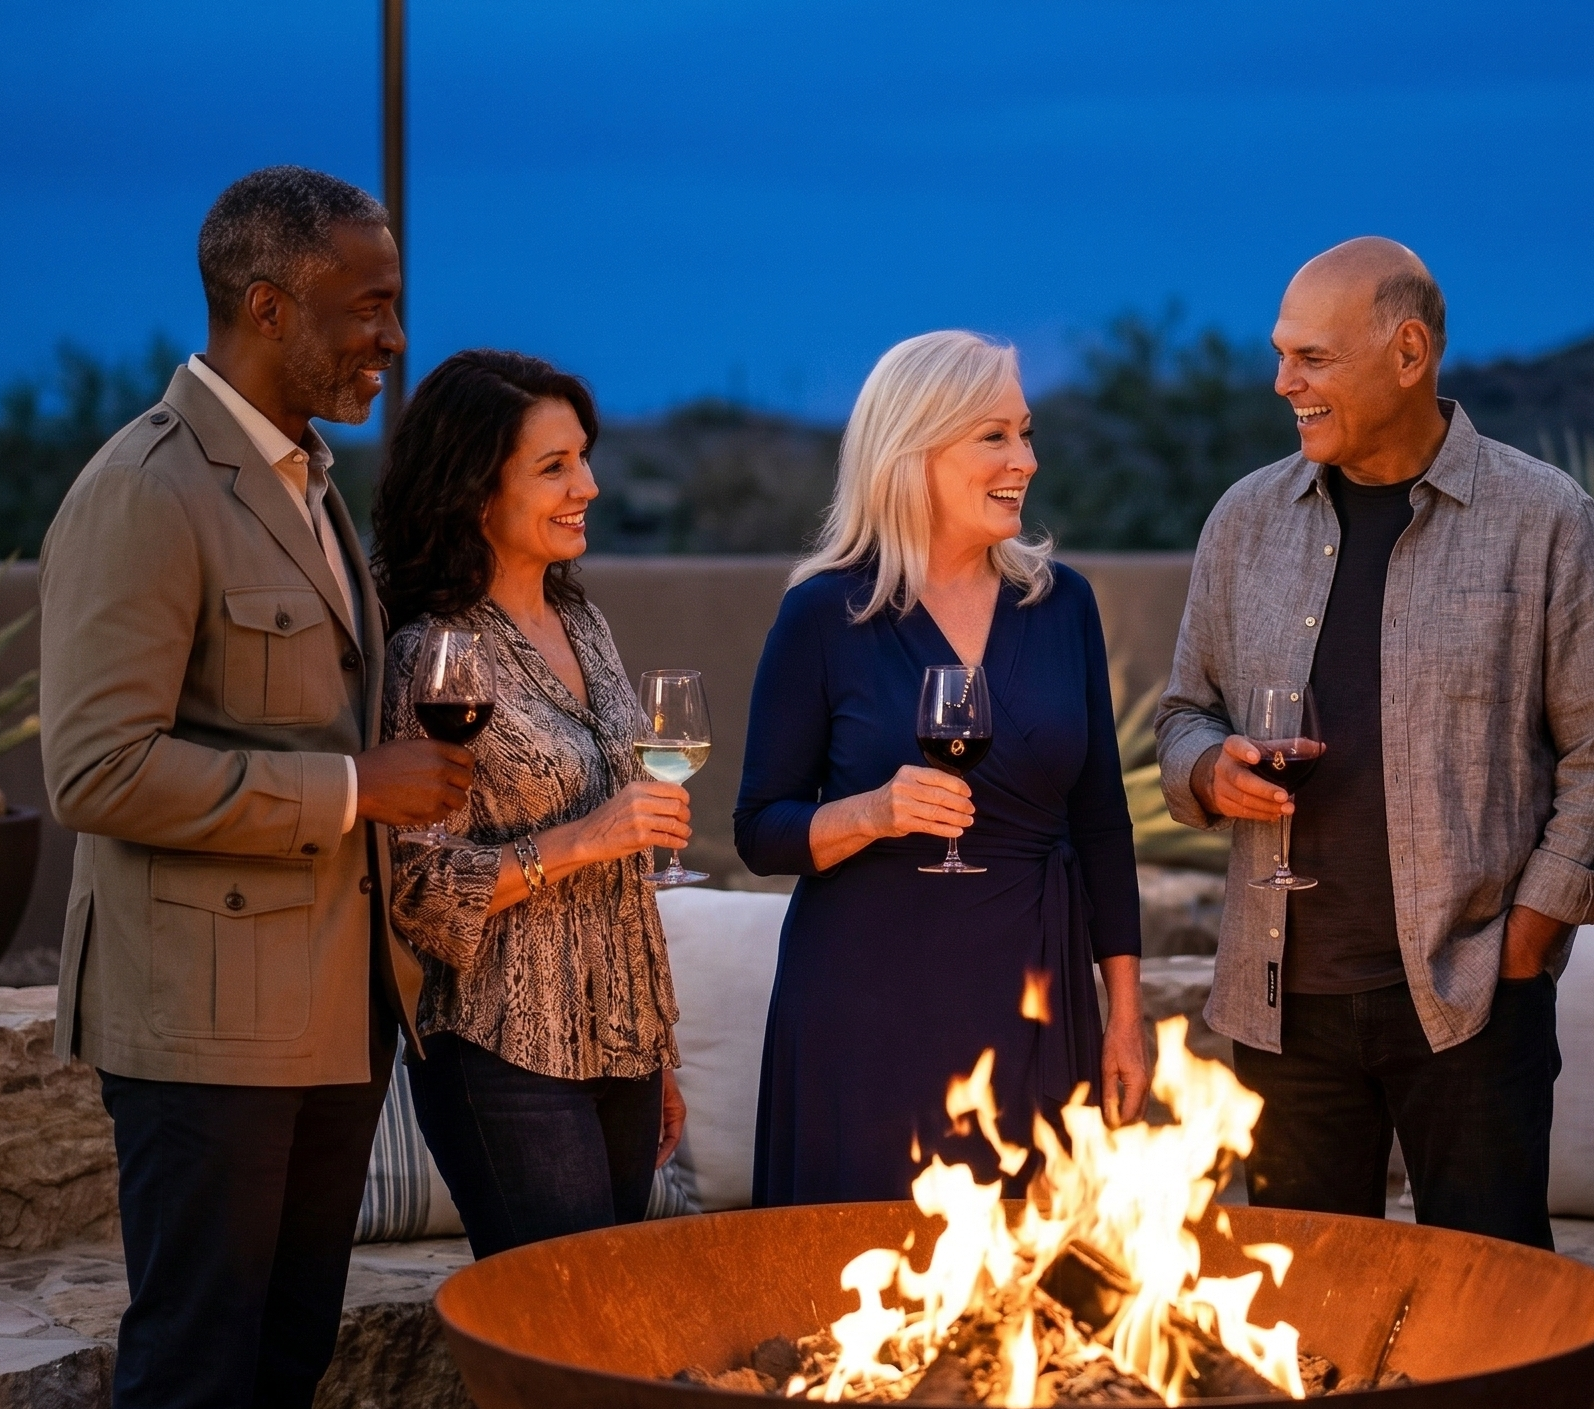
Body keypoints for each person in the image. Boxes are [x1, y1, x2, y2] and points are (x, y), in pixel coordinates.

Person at [37, 167, 473, 1409]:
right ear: (269, 307)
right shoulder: (145, 491)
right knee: (197, 1368)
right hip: (203, 1030)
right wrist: (350, 787)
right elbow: (96, 767)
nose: (393, 335)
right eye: (369, 305)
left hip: (334, 1017)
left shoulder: (315, 485)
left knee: (287, 1360)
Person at [1155, 238, 1594, 1248]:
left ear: (1409, 350)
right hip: (1280, 1007)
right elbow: (1181, 714)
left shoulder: (1544, 518)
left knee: (1491, 1311)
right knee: (1301, 1324)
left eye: (1311, 358)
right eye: (1281, 355)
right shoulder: (1243, 521)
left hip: (1469, 1005)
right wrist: (1210, 768)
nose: (1282, 382)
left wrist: (1524, 941)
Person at [735, 330, 1147, 1205]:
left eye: (1026, 432)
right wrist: (872, 813)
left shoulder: (1061, 603)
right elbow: (759, 830)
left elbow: (1103, 821)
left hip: (1035, 999)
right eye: (993, 436)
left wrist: (1125, 1014)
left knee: (1023, 1304)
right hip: (867, 1009)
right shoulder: (821, 615)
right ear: (912, 451)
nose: (1025, 460)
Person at [371, 350, 692, 1259]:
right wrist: (585, 838)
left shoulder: (584, 622)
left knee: (607, 1319)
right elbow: (420, 891)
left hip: (622, 1044)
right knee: (557, 1319)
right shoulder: (429, 657)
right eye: (554, 466)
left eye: (584, 457)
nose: (587, 483)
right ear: (475, 491)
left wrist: (658, 1048)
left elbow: (629, 853)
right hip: (504, 1049)